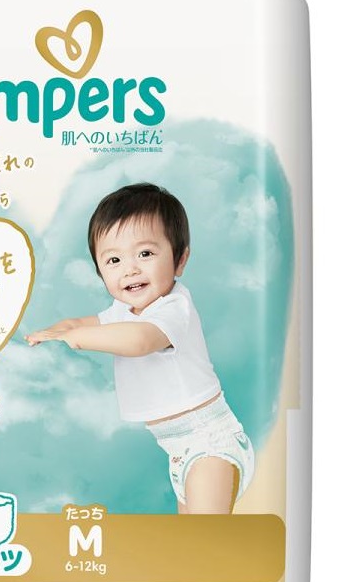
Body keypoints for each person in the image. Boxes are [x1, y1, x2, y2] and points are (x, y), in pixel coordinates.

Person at [26, 183, 254, 514]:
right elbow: (90, 322)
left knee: (207, 540)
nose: (130, 268)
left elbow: (139, 341)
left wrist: (79, 338)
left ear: (180, 260)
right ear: (100, 271)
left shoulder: (173, 307)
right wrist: (63, 328)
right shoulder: (124, 310)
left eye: (145, 254)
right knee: (190, 544)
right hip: (177, 452)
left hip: (210, 443)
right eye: (114, 260)